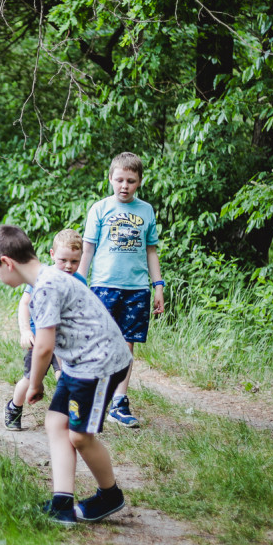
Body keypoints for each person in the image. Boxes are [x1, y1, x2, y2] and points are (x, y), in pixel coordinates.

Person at [0, 225, 132, 526]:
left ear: (7, 263)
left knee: (79, 436)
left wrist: (35, 384)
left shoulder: (46, 287)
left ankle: (110, 495)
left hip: (99, 365)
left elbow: (44, 347)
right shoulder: (48, 280)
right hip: (80, 364)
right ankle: (62, 504)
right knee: (55, 422)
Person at [77, 152, 165, 428]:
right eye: (119, 180)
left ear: (139, 182)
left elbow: (151, 251)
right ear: (111, 179)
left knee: (126, 344)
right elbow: (88, 248)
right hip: (104, 285)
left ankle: (119, 402)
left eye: (131, 181)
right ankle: (91, 396)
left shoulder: (146, 210)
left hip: (137, 289)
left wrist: (158, 286)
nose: (124, 186)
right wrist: (79, 281)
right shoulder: (100, 208)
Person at [5, 228, 88, 431]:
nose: (68, 266)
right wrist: (25, 331)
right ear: (52, 254)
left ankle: (67, 419)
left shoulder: (80, 282)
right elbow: (25, 304)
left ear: (81, 259)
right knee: (31, 378)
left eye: (74, 262)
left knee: (65, 377)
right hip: (39, 339)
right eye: (63, 260)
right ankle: (14, 407)